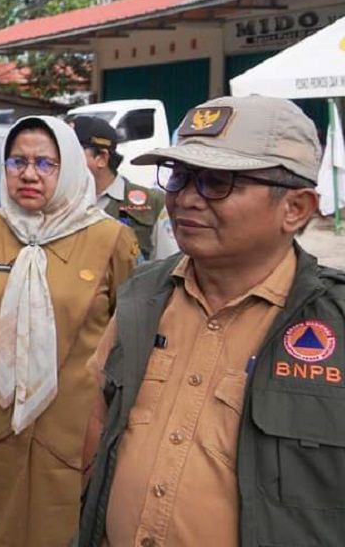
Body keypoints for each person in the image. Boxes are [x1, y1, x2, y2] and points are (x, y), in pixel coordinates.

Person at [77, 96, 334, 547]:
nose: (186, 199)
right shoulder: (142, 294)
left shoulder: (335, 323)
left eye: (217, 182)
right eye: (180, 176)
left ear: (296, 208)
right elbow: (99, 425)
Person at [0, 115, 137, 546]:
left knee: (60, 530)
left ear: (71, 167)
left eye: (45, 163)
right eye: (17, 162)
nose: (29, 175)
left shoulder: (111, 239)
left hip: (71, 425)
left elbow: (127, 329)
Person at [72, 114, 178, 261]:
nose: (62, 159)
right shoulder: (60, 201)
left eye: (72, 152)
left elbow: (168, 266)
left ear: (101, 158)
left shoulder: (153, 203)